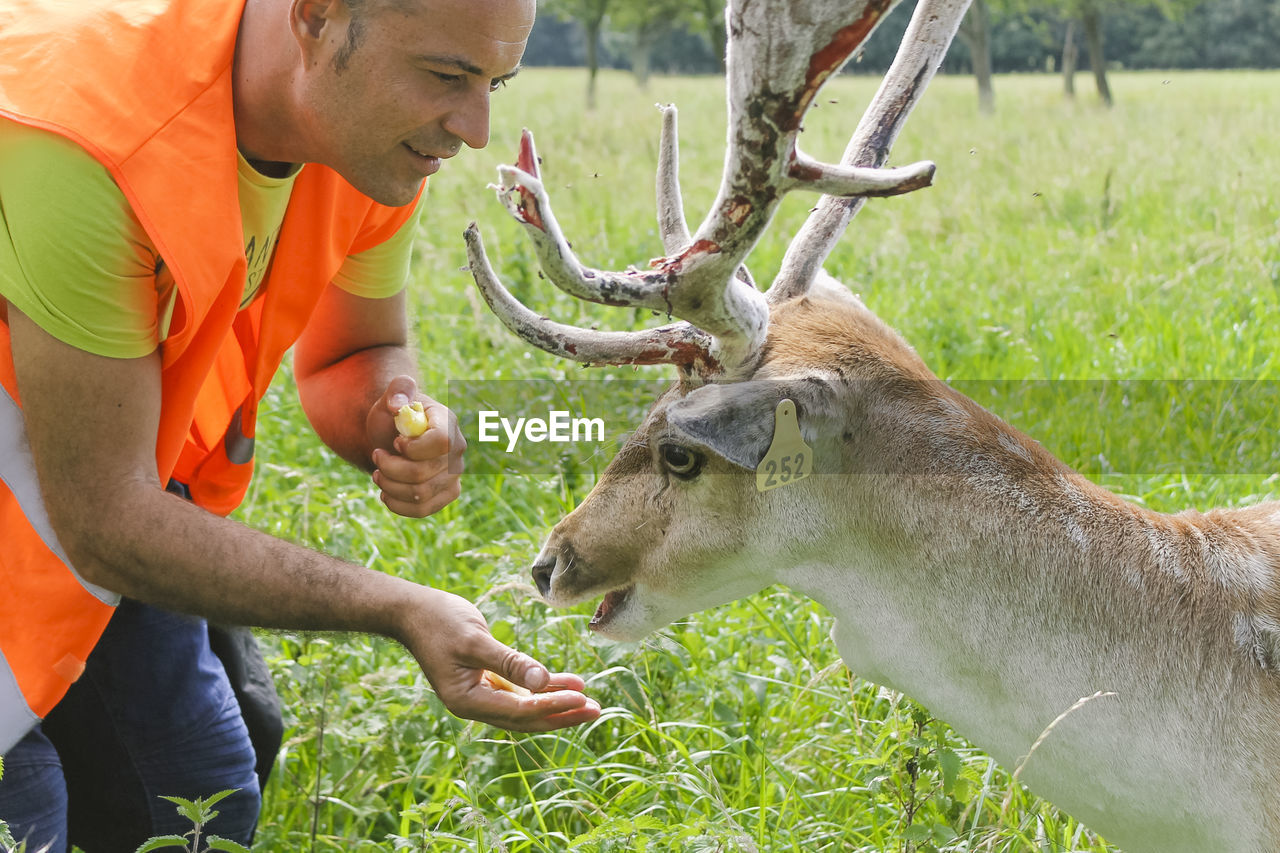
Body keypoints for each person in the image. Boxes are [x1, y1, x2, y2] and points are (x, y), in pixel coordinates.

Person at [0, 0, 602, 850]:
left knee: (207, 767)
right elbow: (104, 520)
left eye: (494, 82)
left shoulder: (360, 137)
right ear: (317, 18)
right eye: (446, 77)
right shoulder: (90, 142)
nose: (474, 128)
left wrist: (395, 415)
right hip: (67, 501)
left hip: (90, 477)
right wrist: (399, 606)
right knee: (28, 809)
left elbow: (355, 351)